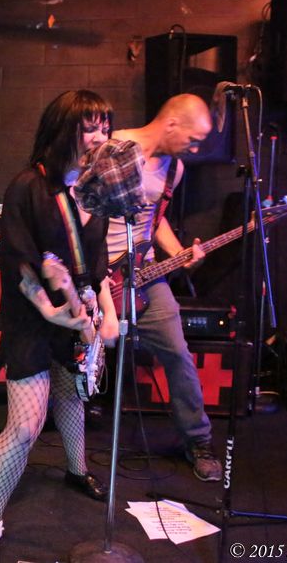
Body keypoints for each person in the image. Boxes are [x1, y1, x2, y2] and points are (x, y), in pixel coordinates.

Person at [0, 90, 120, 563]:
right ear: (63, 131)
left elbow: (97, 267)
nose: (101, 137)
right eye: (90, 127)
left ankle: (76, 469)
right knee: (25, 426)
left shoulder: (97, 191)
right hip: (33, 320)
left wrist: (107, 314)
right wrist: (51, 311)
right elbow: (21, 265)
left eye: (105, 127)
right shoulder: (28, 187)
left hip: (77, 317)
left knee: (72, 396)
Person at [105, 93, 223, 482]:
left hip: (145, 273)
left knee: (177, 353)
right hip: (99, 276)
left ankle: (198, 440)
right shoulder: (113, 147)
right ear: (171, 123)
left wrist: (178, 252)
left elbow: (154, 219)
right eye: (194, 140)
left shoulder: (175, 168)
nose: (196, 149)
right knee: (76, 356)